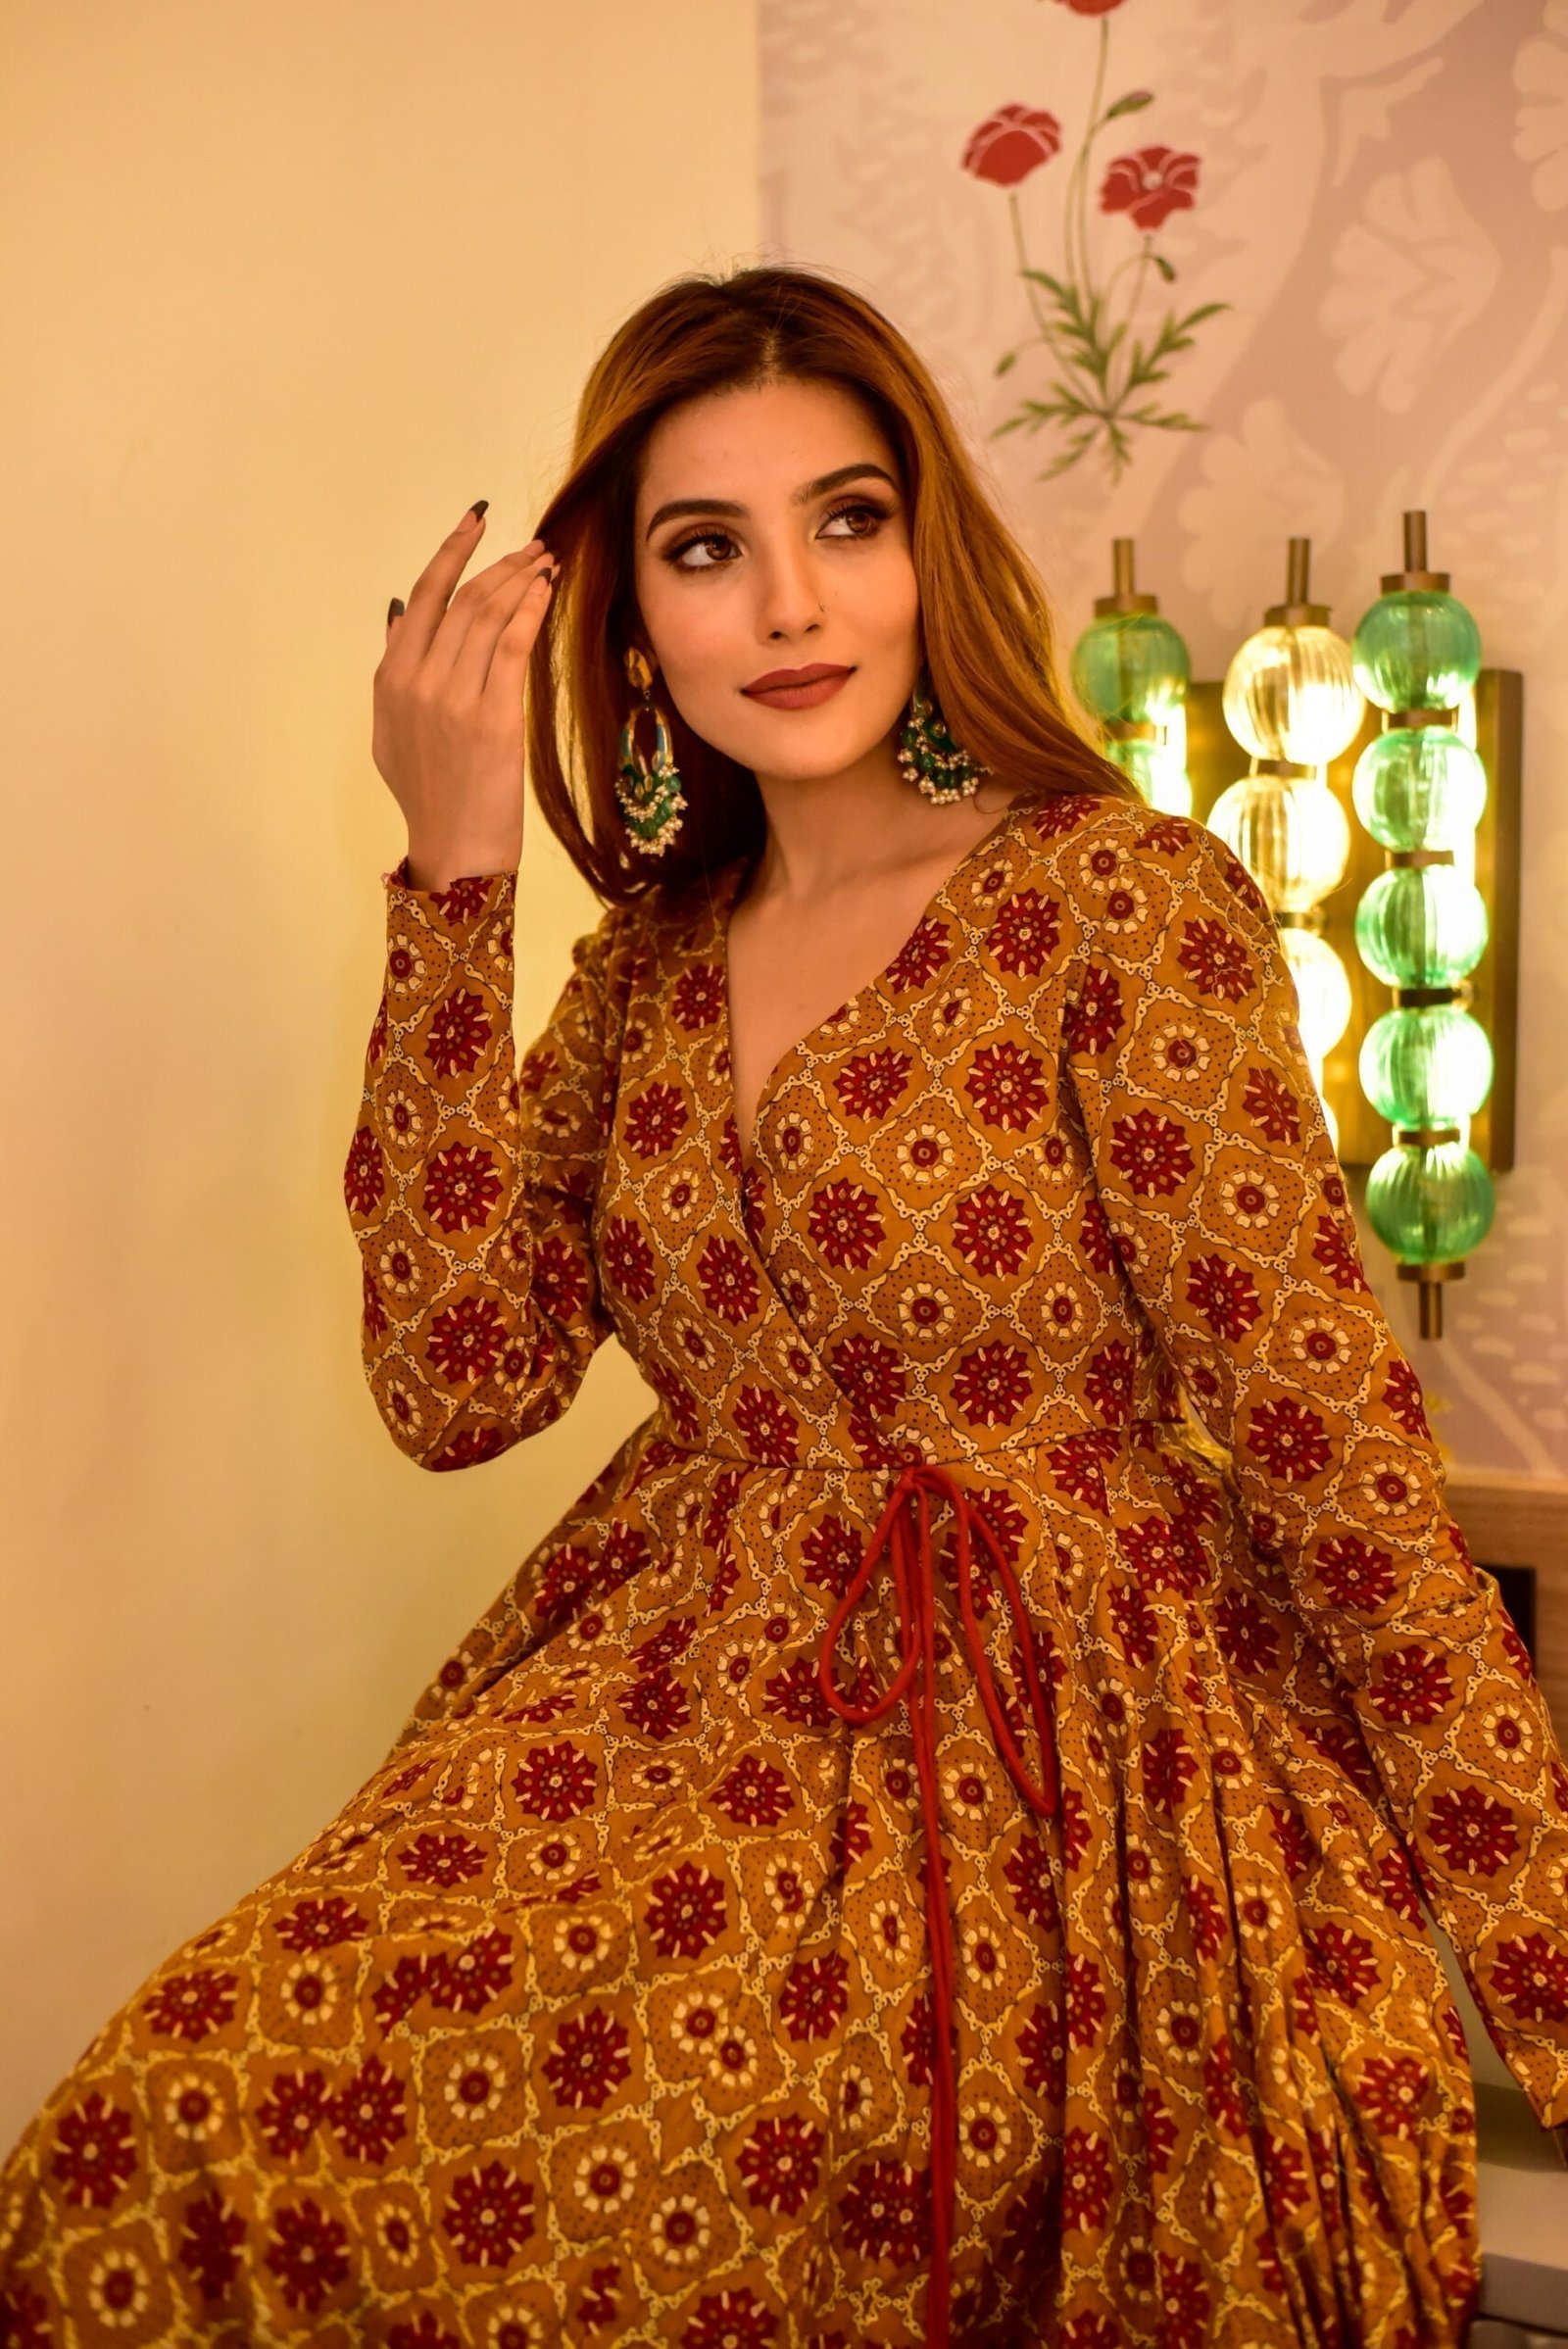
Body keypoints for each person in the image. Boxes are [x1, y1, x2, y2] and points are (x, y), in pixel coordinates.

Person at [1, 263, 1564, 2349]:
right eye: (706, 548)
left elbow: (1334, 1463)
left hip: (1059, 1781)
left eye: (846, 518)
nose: (793, 603)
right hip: (667, 1724)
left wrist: (1545, 1976)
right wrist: (454, 873)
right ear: (629, 622)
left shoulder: (1113, 900)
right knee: (180, 2115)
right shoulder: (651, 962)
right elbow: (456, 1382)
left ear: (927, 550)